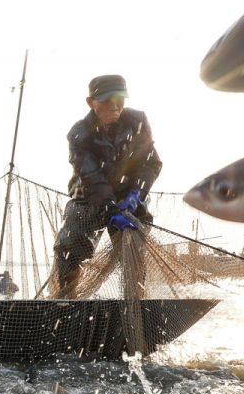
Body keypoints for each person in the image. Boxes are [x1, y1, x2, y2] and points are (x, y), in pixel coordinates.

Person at [52, 74, 162, 298]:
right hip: (89, 196)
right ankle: (66, 298)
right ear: (91, 102)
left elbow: (151, 162)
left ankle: (135, 300)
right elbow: (90, 176)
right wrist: (109, 206)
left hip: (129, 195)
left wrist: (135, 194)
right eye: (106, 100)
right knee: (69, 245)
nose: (115, 105)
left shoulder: (137, 120)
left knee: (134, 246)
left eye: (120, 99)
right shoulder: (79, 133)